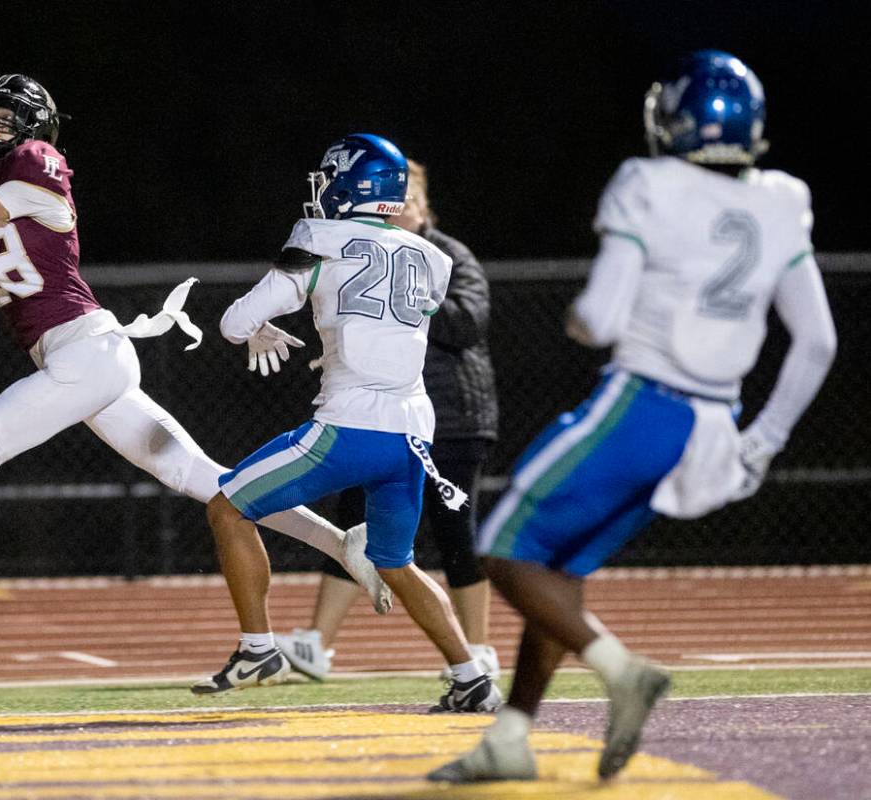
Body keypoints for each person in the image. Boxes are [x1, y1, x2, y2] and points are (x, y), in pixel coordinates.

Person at [0, 74, 391, 665]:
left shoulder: (36, 174)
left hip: (85, 352)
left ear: (32, 132)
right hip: (85, 362)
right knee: (206, 478)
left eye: (5, 121)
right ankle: (344, 545)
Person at [429, 50, 837, 784]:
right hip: (715, 425)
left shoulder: (647, 183)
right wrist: (764, 442)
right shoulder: (782, 198)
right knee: (559, 567)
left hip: (644, 405)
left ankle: (622, 670)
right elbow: (818, 339)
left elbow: (602, 313)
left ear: (675, 118)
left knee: (502, 550)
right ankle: (512, 737)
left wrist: (581, 321)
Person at [191, 133, 497, 713]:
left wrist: (258, 326)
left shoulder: (318, 240)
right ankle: (470, 675)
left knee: (227, 507)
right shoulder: (433, 256)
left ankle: (258, 648)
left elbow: (235, 322)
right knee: (395, 563)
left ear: (349, 183)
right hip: (413, 434)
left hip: (347, 428)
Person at [274, 160, 502, 690]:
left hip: (453, 418)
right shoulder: (366, 253)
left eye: (409, 204)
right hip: (382, 417)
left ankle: (477, 648)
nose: (398, 214)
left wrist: (409, 297)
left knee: (454, 532)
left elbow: (468, 323)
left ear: (424, 208)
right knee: (356, 518)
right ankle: (315, 644)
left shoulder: (444, 257)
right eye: (392, 205)